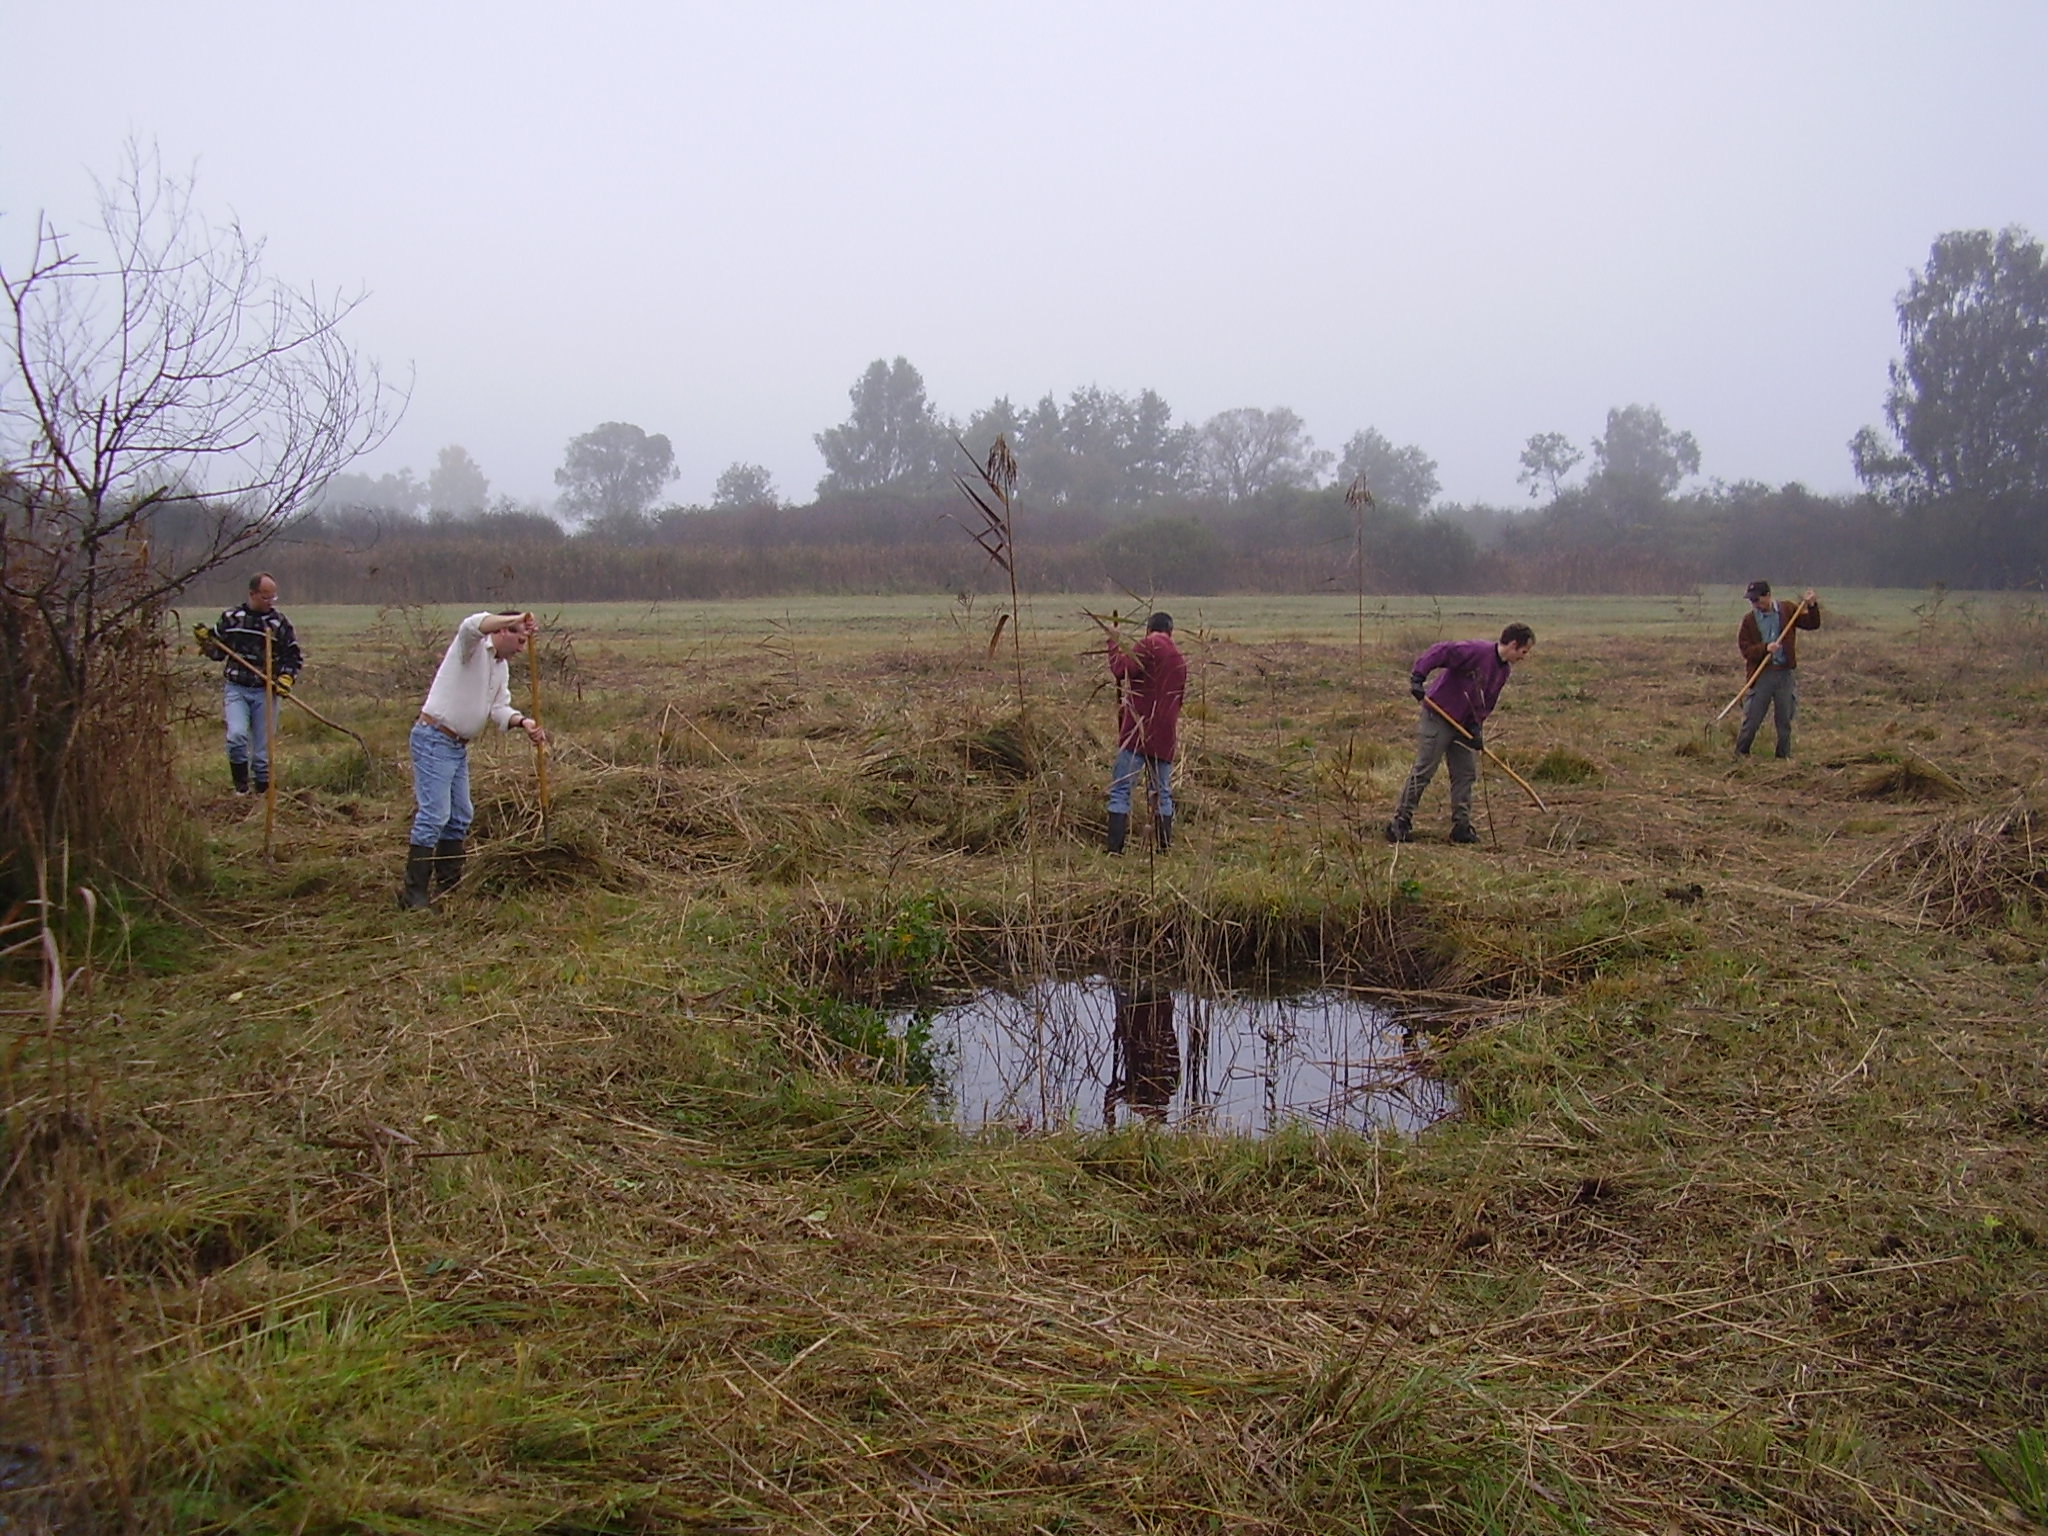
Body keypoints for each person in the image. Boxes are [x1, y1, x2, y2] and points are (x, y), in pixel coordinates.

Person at [402, 611, 547, 910]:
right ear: (504, 631)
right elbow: (470, 624)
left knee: (460, 816)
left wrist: (523, 722)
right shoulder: (471, 648)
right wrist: (517, 617)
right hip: (434, 738)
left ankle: (449, 884)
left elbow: (499, 708)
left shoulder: (500, 668)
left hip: (457, 747)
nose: (522, 648)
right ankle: (413, 895)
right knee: (434, 816)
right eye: (519, 639)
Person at [1386, 622, 1535, 844]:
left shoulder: (1503, 671)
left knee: (1465, 773)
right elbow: (1441, 651)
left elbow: (1486, 703)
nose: (1524, 657)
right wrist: (1418, 677)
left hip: (1463, 726)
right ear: (1513, 644)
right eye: (1524, 652)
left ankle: (1461, 827)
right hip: (1438, 716)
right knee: (1425, 769)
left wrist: (1476, 727)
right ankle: (1400, 822)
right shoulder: (1475, 651)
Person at [209, 572, 302, 796]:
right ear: (252, 594)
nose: (270, 602)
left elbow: (293, 657)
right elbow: (216, 652)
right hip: (237, 688)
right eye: (265, 597)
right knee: (237, 736)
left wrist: (286, 679)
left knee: (262, 752)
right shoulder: (232, 618)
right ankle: (241, 789)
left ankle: (263, 796)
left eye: (273, 598)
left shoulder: (278, 623)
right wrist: (205, 641)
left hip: (266, 691)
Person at [1104, 611, 1188, 854]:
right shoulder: (1180, 659)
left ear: (1149, 629)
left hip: (1136, 734)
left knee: (1121, 790)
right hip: (1165, 736)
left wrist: (1114, 643)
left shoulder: (1149, 644)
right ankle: (1163, 850)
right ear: (1171, 631)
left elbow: (1121, 669)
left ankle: (1115, 851)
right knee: (1162, 794)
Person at [1735, 580, 1820, 759]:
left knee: (1784, 720)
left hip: (1784, 674)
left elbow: (1812, 624)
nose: (1754, 604)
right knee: (1752, 719)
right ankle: (1741, 754)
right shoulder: (1749, 620)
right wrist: (1765, 648)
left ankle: (1783, 757)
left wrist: (1812, 605)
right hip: (1762, 675)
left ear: (1767, 596)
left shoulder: (1788, 610)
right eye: (1751, 601)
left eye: (1757, 600)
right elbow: (1746, 650)